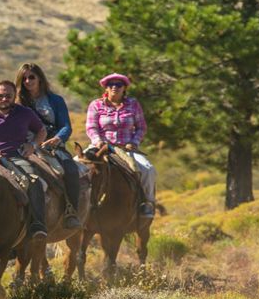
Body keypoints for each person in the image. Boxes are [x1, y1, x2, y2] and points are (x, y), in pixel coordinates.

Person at [0, 80, 48, 238]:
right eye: (0, 95)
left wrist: (32, 145)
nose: (4, 99)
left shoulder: (25, 113)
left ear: (15, 95)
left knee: (33, 181)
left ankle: (37, 224)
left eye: (8, 95)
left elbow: (42, 131)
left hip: (15, 157)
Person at [16, 62, 82, 229]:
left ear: (40, 78)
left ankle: (71, 211)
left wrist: (58, 139)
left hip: (51, 146)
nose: (28, 81)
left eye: (32, 77)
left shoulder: (55, 100)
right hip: (24, 147)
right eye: (24, 78)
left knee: (71, 170)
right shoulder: (16, 102)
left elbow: (66, 126)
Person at [85, 73, 157, 218]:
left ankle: (147, 203)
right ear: (106, 88)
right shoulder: (96, 105)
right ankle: (75, 205)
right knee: (76, 166)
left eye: (118, 85)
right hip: (100, 147)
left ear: (124, 88)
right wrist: (98, 141)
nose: (114, 87)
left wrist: (134, 142)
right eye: (110, 85)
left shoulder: (133, 104)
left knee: (148, 169)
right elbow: (91, 127)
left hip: (126, 148)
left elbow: (141, 127)